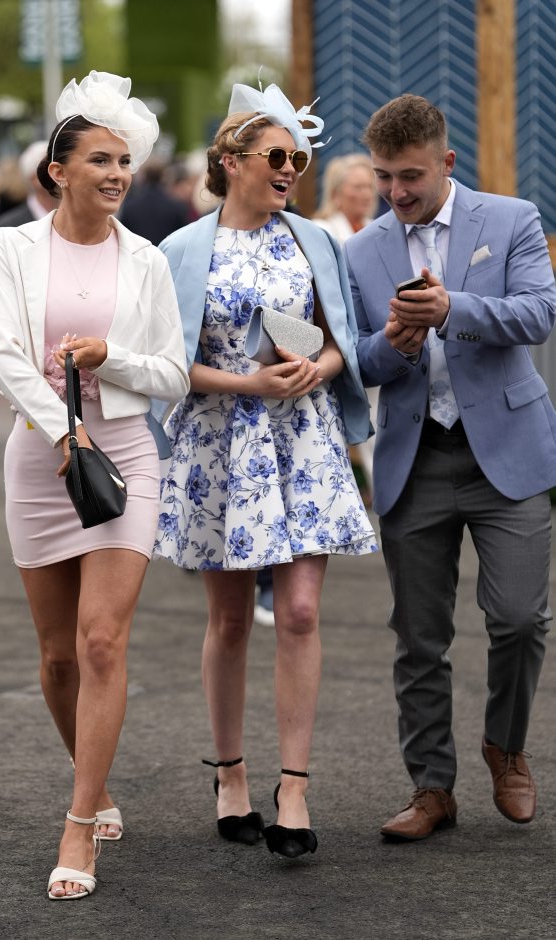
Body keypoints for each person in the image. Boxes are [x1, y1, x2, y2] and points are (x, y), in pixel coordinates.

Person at [152, 80, 377, 859]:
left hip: (303, 438)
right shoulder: (181, 249)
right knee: (228, 619)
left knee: (302, 612)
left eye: (297, 159)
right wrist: (245, 383)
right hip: (220, 440)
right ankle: (230, 775)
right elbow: (164, 364)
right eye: (276, 156)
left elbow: (344, 339)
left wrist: (319, 366)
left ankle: (294, 790)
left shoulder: (315, 241)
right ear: (230, 160)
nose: (288, 170)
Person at [0, 70, 189, 901]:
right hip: (41, 460)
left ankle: (77, 824)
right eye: (100, 160)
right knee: (58, 656)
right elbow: (1, 354)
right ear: (56, 171)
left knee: (102, 641)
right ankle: (94, 782)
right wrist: (62, 429)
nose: (116, 174)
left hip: (126, 457)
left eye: (124, 162)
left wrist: (113, 359)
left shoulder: (146, 260)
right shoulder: (12, 248)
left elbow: (171, 372)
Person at [344, 94, 556, 842]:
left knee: (520, 619)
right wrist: (391, 344)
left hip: (508, 452)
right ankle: (431, 787)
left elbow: (539, 314)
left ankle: (506, 747)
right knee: (418, 637)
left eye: (410, 176)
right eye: (383, 177)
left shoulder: (512, 219)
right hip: (414, 459)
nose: (396, 192)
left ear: (446, 162)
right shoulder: (359, 250)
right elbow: (354, 359)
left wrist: (451, 310)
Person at [314, 152, 380, 504]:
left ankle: (381, 493)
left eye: (370, 186)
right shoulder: (321, 231)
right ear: (337, 192)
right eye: (357, 187)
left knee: (376, 419)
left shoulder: (377, 228)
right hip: (333, 341)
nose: (366, 194)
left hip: (373, 336)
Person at [118, 158, 191, 245]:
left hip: (138, 251)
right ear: (163, 177)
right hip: (165, 251)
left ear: (144, 177)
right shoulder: (176, 206)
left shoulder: (130, 206)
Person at [0, 140, 59, 231]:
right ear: (34, 178)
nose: (60, 174)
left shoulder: (75, 217)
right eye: (51, 169)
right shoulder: (7, 228)